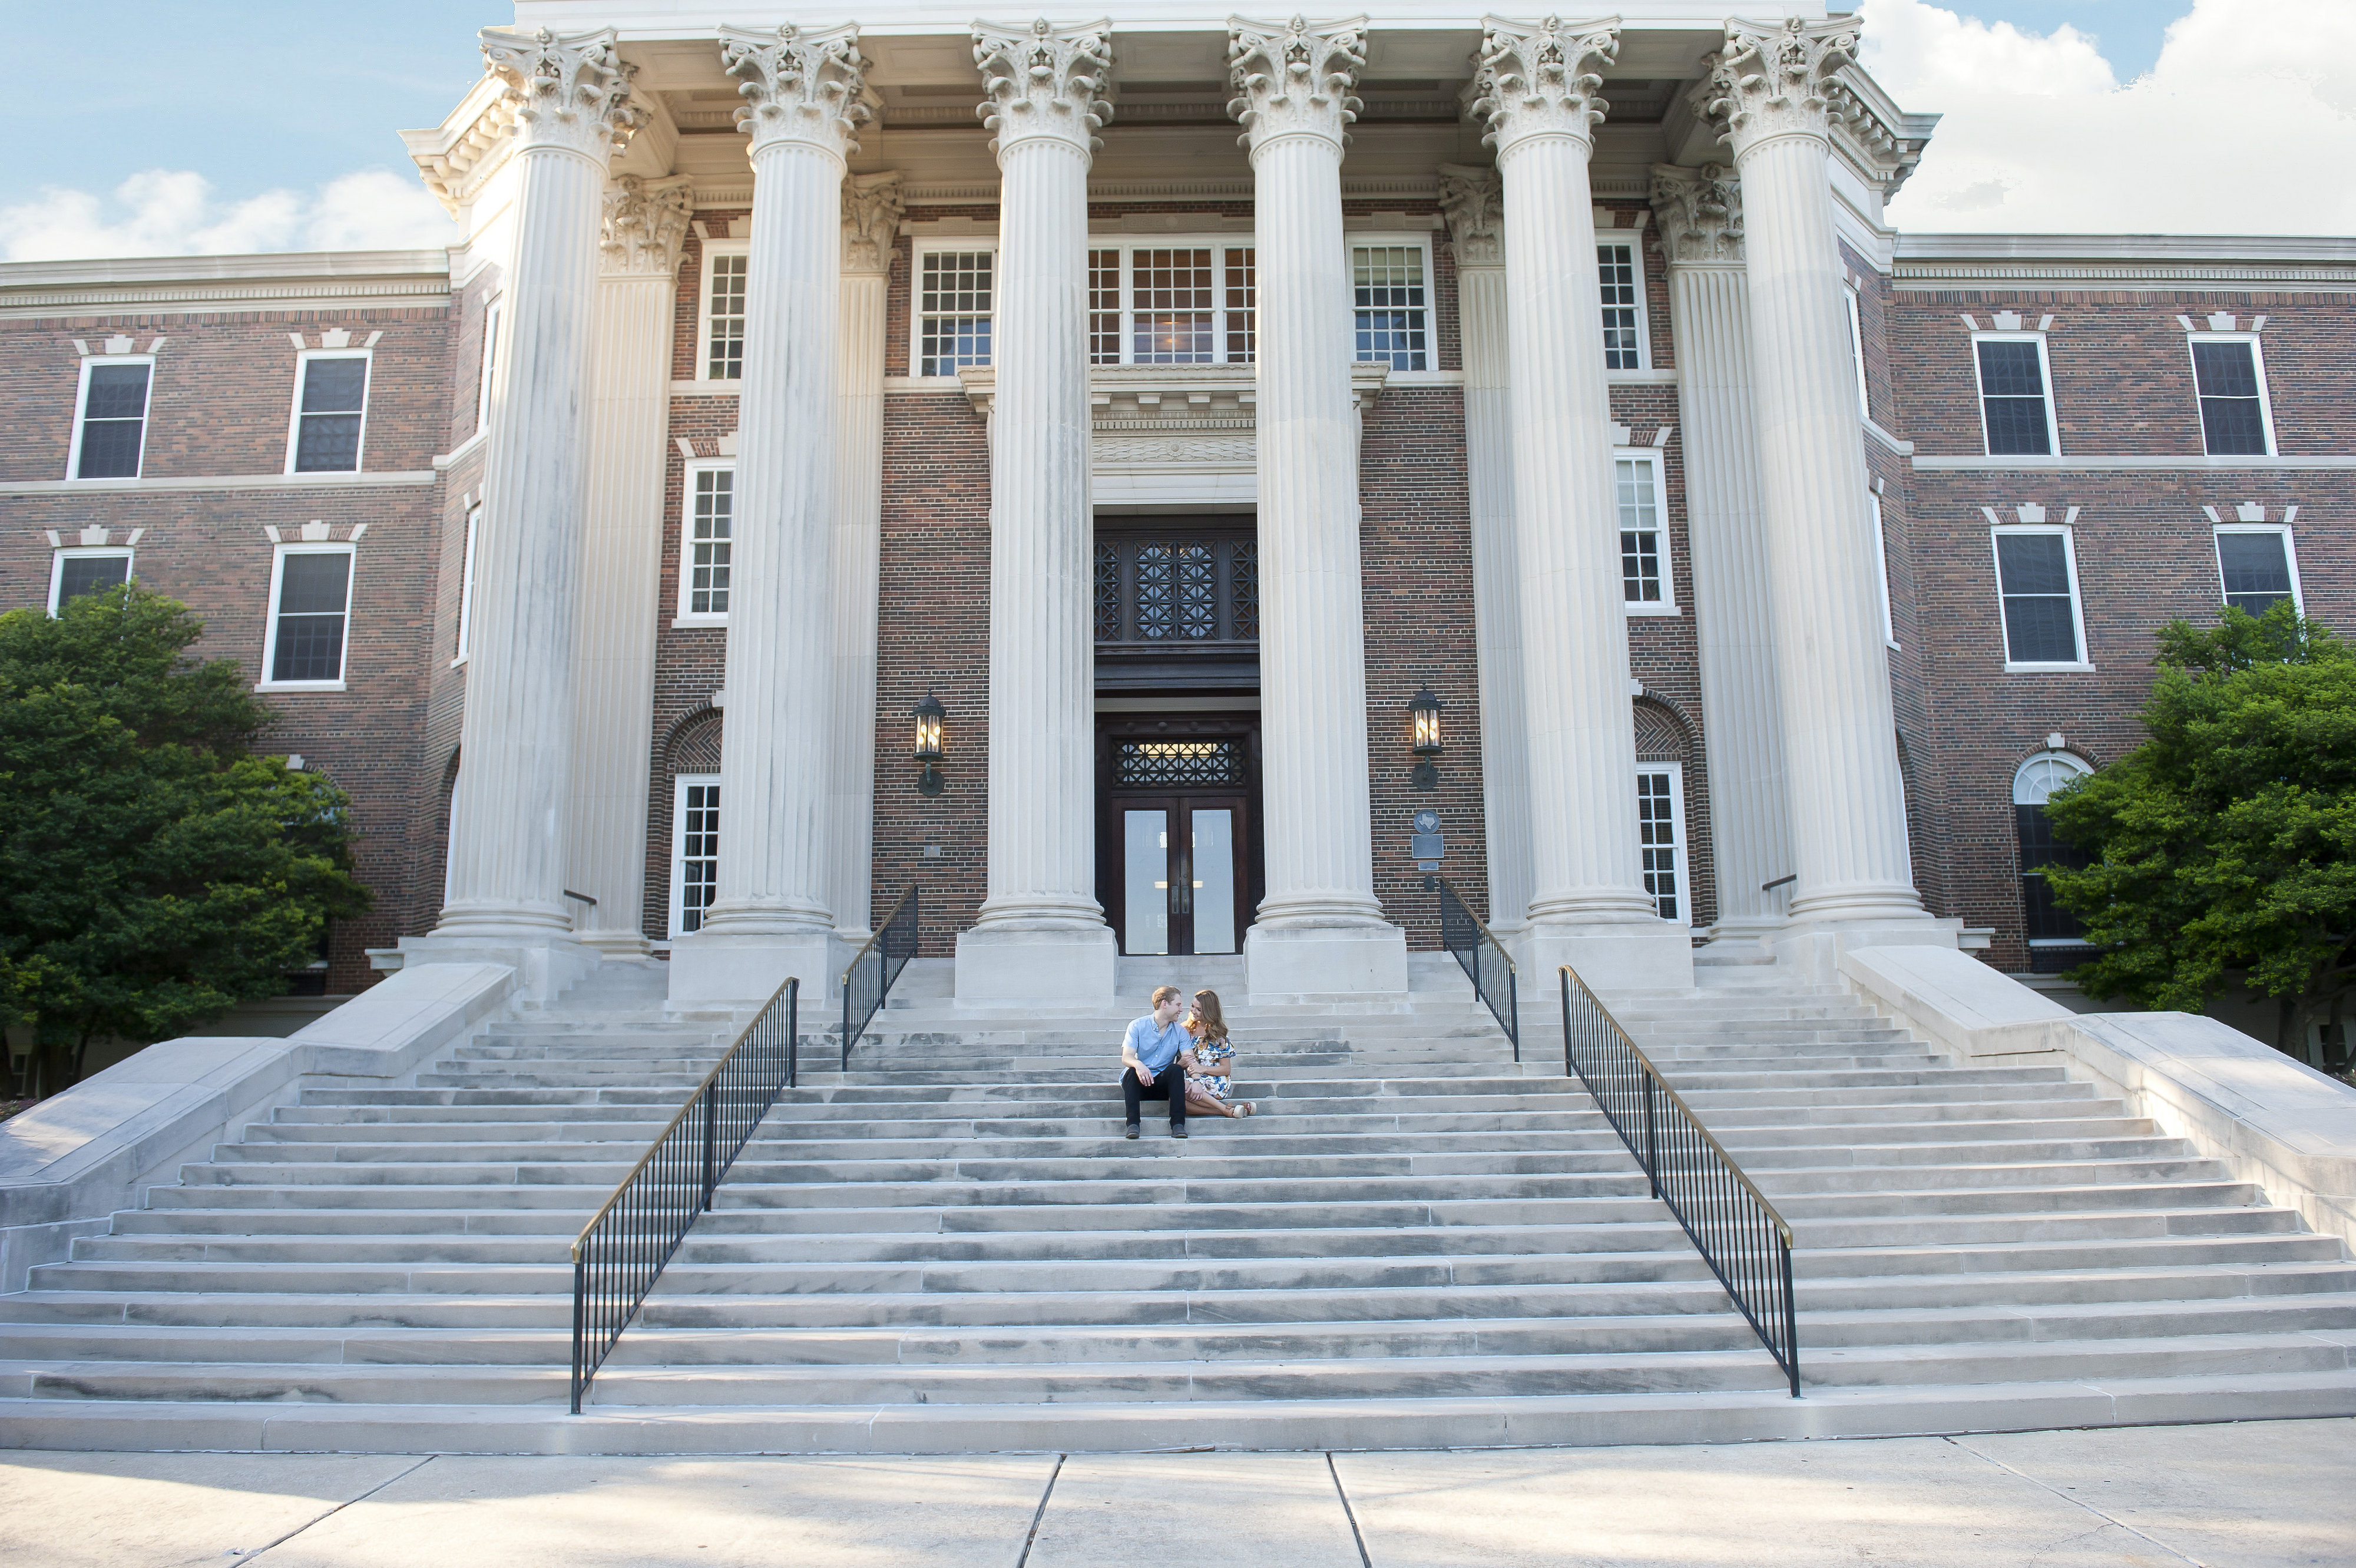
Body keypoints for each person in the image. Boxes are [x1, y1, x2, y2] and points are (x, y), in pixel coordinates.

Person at [1119, 984, 1195, 1140]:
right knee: (1132, 1070)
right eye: (1178, 1005)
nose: (1181, 1010)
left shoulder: (1180, 1032)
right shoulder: (1137, 1026)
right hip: (1139, 1084)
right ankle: (1133, 1124)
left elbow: (1189, 1058)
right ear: (1164, 1004)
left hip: (1163, 1084)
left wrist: (1190, 1073)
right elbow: (1126, 1057)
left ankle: (1178, 1125)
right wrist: (1139, 1065)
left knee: (1175, 1069)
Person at [1183, 988, 1254, 1119]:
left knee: (1183, 1090)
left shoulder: (1218, 1035)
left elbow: (1226, 1069)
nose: (1193, 1011)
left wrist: (1202, 1069)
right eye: (1193, 1006)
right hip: (1192, 1078)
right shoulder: (1185, 1029)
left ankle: (1226, 1109)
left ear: (1208, 1012)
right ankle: (1226, 1110)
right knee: (1177, 1099)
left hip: (1215, 1080)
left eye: (1199, 1009)